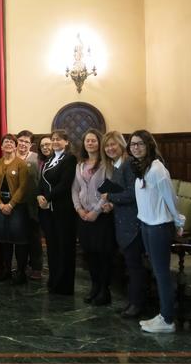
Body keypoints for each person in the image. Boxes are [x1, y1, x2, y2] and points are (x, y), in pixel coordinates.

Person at [128, 130, 184, 333]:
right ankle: (163, 314)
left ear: (149, 145)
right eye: (133, 144)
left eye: (140, 144)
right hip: (147, 224)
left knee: (162, 274)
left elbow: (171, 197)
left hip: (159, 226)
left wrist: (178, 221)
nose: (136, 147)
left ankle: (168, 320)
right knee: (157, 272)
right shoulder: (142, 167)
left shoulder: (157, 169)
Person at [100, 131, 146, 318]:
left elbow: (133, 195)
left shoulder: (128, 164)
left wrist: (110, 197)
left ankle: (137, 304)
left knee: (135, 267)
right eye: (107, 146)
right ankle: (132, 302)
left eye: (113, 144)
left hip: (132, 224)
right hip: (123, 222)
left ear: (121, 145)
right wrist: (111, 204)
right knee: (131, 266)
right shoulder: (117, 166)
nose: (110, 148)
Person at [72, 129, 115, 305]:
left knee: (103, 254)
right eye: (87, 141)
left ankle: (104, 290)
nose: (90, 143)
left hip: (101, 217)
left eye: (93, 141)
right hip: (83, 216)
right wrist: (79, 209)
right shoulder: (80, 165)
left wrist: (95, 212)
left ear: (100, 143)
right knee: (89, 254)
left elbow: (109, 190)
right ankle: (95, 287)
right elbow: (75, 189)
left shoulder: (106, 165)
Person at [37, 129, 77, 295]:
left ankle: (64, 285)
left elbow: (65, 184)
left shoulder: (70, 159)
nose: (55, 142)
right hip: (48, 211)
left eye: (59, 139)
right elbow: (42, 181)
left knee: (64, 247)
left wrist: (47, 198)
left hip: (63, 210)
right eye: (53, 139)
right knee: (52, 247)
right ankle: (53, 281)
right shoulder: (49, 159)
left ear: (66, 142)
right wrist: (39, 195)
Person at [0, 134, 30, 285]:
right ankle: (6, 270)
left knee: (19, 240)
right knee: (4, 240)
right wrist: (0, 204)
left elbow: (23, 187)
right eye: (6, 142)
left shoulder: (21, 164)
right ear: (1, 146)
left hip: (17, 206)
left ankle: (21, 272)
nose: (9, 144)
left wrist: (11, 204)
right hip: (0, 205)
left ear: (16, 146)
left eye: (12, 142)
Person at [16, 130, 42, 280]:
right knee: (20, 237)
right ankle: (21, 266)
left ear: (31, 144)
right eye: (21, 140)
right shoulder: (11, 157)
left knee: (34, 236)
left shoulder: (37, 158)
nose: (23, 144)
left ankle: (36, 267)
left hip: (33, 204)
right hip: (16, 204)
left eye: (26, 142)